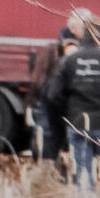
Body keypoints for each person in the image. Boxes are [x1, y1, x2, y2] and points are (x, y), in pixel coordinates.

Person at [46, 13, 100, 197]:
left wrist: (69, 113)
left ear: (81, 35)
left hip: (79, 124)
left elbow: (53, 95)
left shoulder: (69, 60)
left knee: (83, 176)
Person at [28, 24, 75, 170]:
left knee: (45, 167)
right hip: (53, 128)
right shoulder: (59, 81)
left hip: (44, 127)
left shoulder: (44, 80)